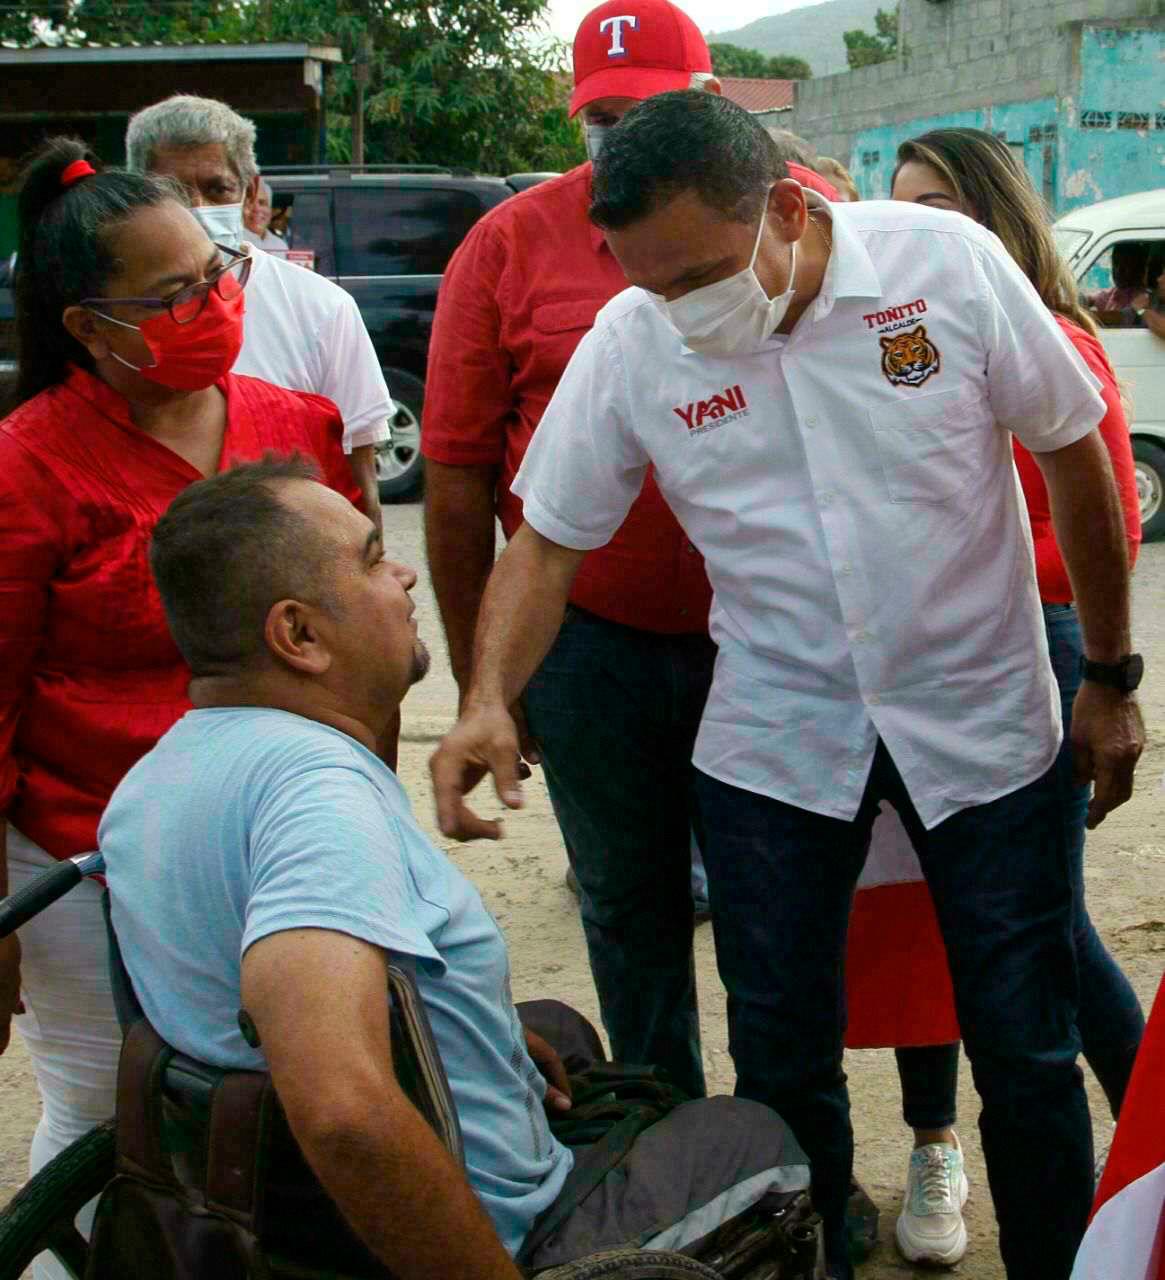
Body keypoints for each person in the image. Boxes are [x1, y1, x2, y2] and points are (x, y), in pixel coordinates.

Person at [429, 92, 1144, 1280]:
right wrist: (486, 694)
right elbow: (546, 539)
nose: (682, 310)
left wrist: (1110, 675)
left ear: (790, 204)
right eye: (651, 285)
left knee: (1024, 1040)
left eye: (703, 274)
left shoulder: (946, 267)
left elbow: (1073, 447)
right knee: (780, 1057)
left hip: (983, 718)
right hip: (776, 741)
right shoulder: (633, 340)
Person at [98, 456, 811, 1280]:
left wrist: (492, 1042)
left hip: (258, 1188)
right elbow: (341, 1110)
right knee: (753, 1138)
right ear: (298, 635)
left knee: (556, 1030)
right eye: (371, 558)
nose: (402, 571)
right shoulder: (316, 799)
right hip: (462, 1231)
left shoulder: (158, 777)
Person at [0, 139, 362, 1279]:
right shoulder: (28, 467)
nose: (212, 305)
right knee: (113, 1107)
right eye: (171, 298)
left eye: (215, 274)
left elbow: (354, 636)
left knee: (278, 1097)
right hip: (86, 855)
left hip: (279, 838)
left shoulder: (291, 425)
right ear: (87, 328)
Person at [422, 0, 725, 1101]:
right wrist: (487, 678)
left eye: (643, 111)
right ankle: (671, 1149)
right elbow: (455, 478)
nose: (616, 137)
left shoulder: (795, 218)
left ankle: (798, 1151)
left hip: (773, 642)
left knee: (787, 909)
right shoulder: (506, 243)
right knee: (629, 909)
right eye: (599, 116)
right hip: (594, 649)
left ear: (710, 103)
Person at [874, 125, 1143, 1265]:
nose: (920, 232)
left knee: (1044, 934)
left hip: (1021, 651)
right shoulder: (906, 335)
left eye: (942, 206)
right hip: (919, 668)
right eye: (901, 211)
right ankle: (940, 1146)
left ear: (995, 210)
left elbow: (1102, 530)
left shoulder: (1053, 343)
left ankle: (1143, 1142)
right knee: (930, 920)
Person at [125, 95, 391, 532]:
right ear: (138, 195)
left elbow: (358, 482)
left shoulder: (321, 308)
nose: (197, 210)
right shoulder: (115, 317)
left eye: (217, 189)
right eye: (172, 192)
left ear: (249, 192)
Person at [242, 177, 288, 253]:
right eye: (249, 203)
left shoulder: (280, 245)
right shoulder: (233, 243)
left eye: (262, 203)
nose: (256, 209)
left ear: (270, 210)